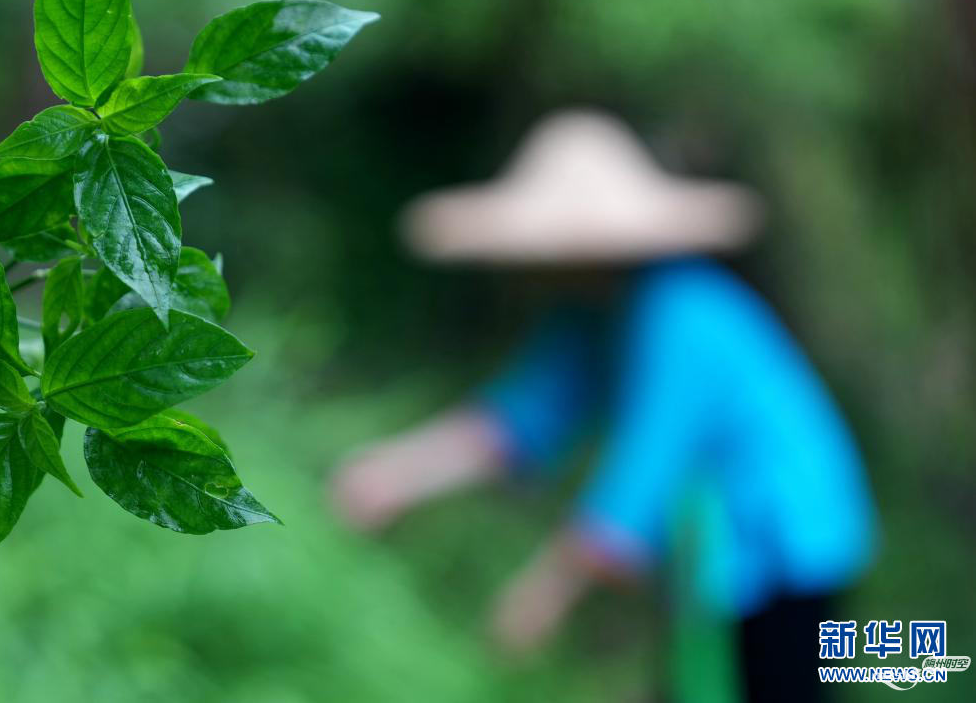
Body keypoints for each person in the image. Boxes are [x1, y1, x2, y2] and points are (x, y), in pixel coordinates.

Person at [331, 111, 877, 702]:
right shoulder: (589, 317)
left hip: (782, 542)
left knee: (775, 684)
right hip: (710, 554)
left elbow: (640, 477)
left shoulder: (681, 314)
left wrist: (542, 593)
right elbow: (516, 421)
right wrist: (394, 474)